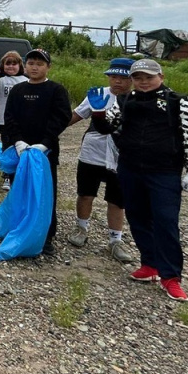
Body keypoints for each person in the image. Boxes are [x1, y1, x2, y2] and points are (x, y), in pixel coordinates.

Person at [92, 59, 188, 301]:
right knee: (137, 217)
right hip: (130, 168)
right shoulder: (125, 101)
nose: (143, 82)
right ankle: (150, 264)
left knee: (165, 221)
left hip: (164, 171)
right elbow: (108, 128)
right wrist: (99, 113)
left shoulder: (179, 103)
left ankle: (171, 277)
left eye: (148, 77)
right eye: (138, 77)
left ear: (160, 76)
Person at [2, 49, 72, 256]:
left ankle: (46, 236)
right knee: (20, 190)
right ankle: (18, 229)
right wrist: (17, 142)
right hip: (21, 151)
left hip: (45, 152)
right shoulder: (18, 90)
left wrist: (45, 143)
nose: (34, 67)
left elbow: (61, 118)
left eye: (39, 64)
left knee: (44, 194)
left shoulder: (56, 90)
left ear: (48, 67)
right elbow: (10, 117)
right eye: (31, 63)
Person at [65, 58, 135, 263]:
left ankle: (115, 240)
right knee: (85, 193)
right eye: (113, 77)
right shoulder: (98, 94)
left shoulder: (137, 99)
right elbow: (76, 115)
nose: (117, 82)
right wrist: (51, 130)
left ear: (131, 79)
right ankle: (81, 228)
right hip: (92, 152)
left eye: (123, 78)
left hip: (121, 156)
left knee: (116, 199)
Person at [0, 51, 28, 191]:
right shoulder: (0, 79)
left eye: (14, 63)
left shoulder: (25, 79)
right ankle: (7, 176)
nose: (11, 66)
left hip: (23, 121)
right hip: (4, 121)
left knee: (22, 148)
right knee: (7, 148)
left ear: (20, 65)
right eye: (7, 63)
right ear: (2, 66)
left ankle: (21, 175)